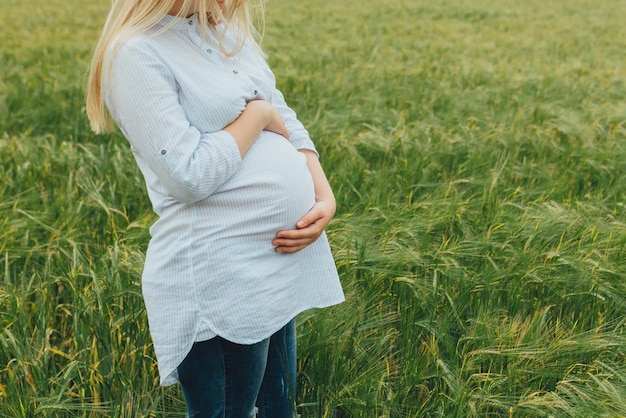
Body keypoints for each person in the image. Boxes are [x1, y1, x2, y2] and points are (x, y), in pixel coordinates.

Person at [85, 0, 345, 416]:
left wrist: (322, 193)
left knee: (279, 408)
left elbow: (283, 111)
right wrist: (256, 116)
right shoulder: (135, 52)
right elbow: (188, 174)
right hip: (221, 276)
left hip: (276, 260)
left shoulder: (217, 29)